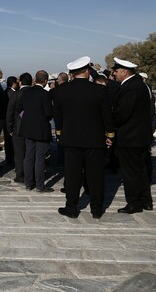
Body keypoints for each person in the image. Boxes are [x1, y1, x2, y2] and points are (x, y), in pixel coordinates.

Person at [53, 57, 114, 219]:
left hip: (71, 139)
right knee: (95, 175)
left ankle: (71, 207)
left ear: (72, 74)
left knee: (72, 175)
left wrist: (59, 134)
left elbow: (57, 117)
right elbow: (107, 116)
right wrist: (110, 135)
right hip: (94, 140)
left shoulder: (61, 91)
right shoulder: (100, 91)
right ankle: (96, 209)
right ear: (87, 71)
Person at [112, 58, 153, 213]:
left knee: (131, 172)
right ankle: (146, 200)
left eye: (116, 71)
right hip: (140, 136)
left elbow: (122, 113)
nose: (114, 74)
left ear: (124, 71)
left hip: (130, 137)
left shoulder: (130, 87)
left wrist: (110, 124)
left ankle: (134, 203)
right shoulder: (140, 85)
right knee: (141, 170)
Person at [17, 70, 53, 192]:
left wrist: (27, 118)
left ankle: (28, 183)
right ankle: (40, 185)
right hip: (41, 129)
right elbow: (48, 113)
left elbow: (20, 109)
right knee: (40, 158)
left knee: (28, 156)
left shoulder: (26, 93)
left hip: (27, 128)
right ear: (46, 81)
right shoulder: (45, 94)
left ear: (35, 79)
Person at [6, 72, 32, 183]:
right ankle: (31, 174)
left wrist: (10, 128)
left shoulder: (15, 94)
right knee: (31, 152)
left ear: (20, 82)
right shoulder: (35, 93)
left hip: (18, 127)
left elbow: (10, 112)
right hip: (32, 126)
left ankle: (20, 175)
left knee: (19, 152)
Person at [3, 76, 18, 167]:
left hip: (6, 120)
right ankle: (11, 160)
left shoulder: (6, 92)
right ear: (13, 83)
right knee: (11, 142)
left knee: (8, 142)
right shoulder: (12, 93)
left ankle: (9, 159)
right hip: (11, 120)